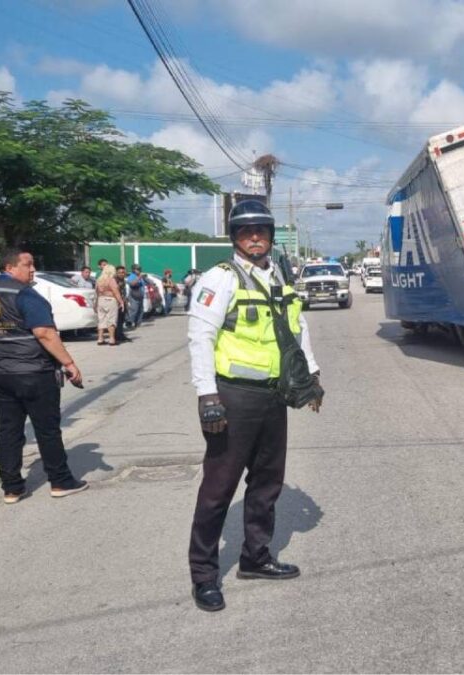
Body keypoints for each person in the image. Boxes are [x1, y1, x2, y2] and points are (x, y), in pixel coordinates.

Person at [186, 199, 322, 612]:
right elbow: (200, 336)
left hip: (273, 395)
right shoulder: (220, 278)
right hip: (233, 397)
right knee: (218, 489)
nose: (255, 238)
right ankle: (204, 576)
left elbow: (296, 328)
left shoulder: (277, 274)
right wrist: (207, 395)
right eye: (246, 232)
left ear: (271, 235)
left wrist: (311, 375)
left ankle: (255, 558)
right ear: (235, 238)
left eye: (261, 231)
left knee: (267, 483)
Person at [0, 249, 90, 503]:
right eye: (28, 264)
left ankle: (12, 488)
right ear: (10, 268)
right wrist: (69, 363)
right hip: (33, 372)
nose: (33, 269)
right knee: (47, 429)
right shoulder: (26, 294)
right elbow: (44, 333)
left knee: (8, 431)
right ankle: (60, 481)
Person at [94, 264, 124, 345]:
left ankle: (100, 339)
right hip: (110, 300)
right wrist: (121, 302)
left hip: (101, 300)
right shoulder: (111, 280)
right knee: (111, 319)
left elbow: (96, 292)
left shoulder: (99, 280)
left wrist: (95, 303)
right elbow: (116, 292)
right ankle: (111, 339)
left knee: (101, 319)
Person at [126, 264, 145, 329]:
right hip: (134, 295)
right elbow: (132, 284)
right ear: (134, 270)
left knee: (140, 310)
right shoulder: (132, 276)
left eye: (140, 269)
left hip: (140, 295)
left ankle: (138, 323)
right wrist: (138, 278)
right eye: (138, 269)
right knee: (134, 310)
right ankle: (129, 323)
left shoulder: (139, 276)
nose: (139, 270)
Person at [114, 265, 130, 342]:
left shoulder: (123, 280)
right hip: (116, 302)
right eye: (119, 272)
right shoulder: (114, 281)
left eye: (123, 272)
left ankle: (120, 334)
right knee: (117, 320)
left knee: (121, 319)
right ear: (116, 273)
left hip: (123, 302)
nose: (121, 274)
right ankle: (116, 336)